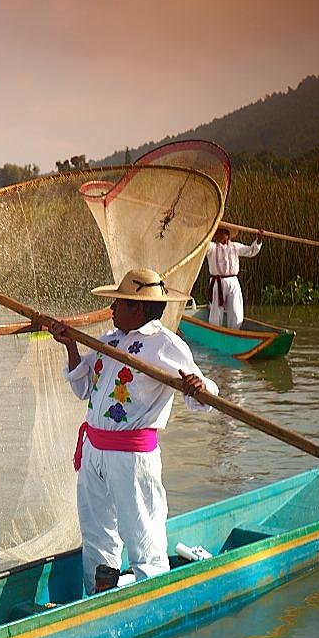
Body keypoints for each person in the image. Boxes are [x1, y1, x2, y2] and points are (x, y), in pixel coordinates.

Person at [50, 268, 218, 595]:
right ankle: (101, 592)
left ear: (138, 308)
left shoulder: (165, 345)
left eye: (119, 303)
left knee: (142, 530)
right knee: (96, 530)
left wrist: (200, 386)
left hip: (131, 457)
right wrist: (70, 346)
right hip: (94, 452)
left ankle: (153, 593)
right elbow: (84, 388)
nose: (112, 308)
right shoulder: (108, 340)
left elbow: (205, 396)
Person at [206, 226, 262, 329]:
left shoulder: (235, 247)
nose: (218, 235)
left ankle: (235, 329)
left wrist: (258, 240)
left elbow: (250, 251)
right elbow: (203, 245)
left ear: (227, 235)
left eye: (221, 233)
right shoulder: (211, 247)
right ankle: (215, 329)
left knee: (235, 308)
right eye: (217, 233)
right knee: (216, 310)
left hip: (233, 281)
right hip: (218, 282)